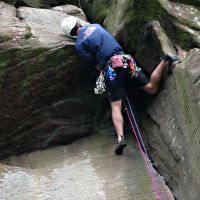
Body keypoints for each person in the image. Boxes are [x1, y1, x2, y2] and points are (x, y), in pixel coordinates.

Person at [61, 16, 180, 155]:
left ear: (70, 34)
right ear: (78, 23)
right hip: (125, 60)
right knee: (151, 87)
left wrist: (112, 76)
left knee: (116, 106)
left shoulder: (79, 45)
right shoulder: (96, 26)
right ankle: (165, 61)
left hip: (111, 69)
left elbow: (98, 66)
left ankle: (120, 138)